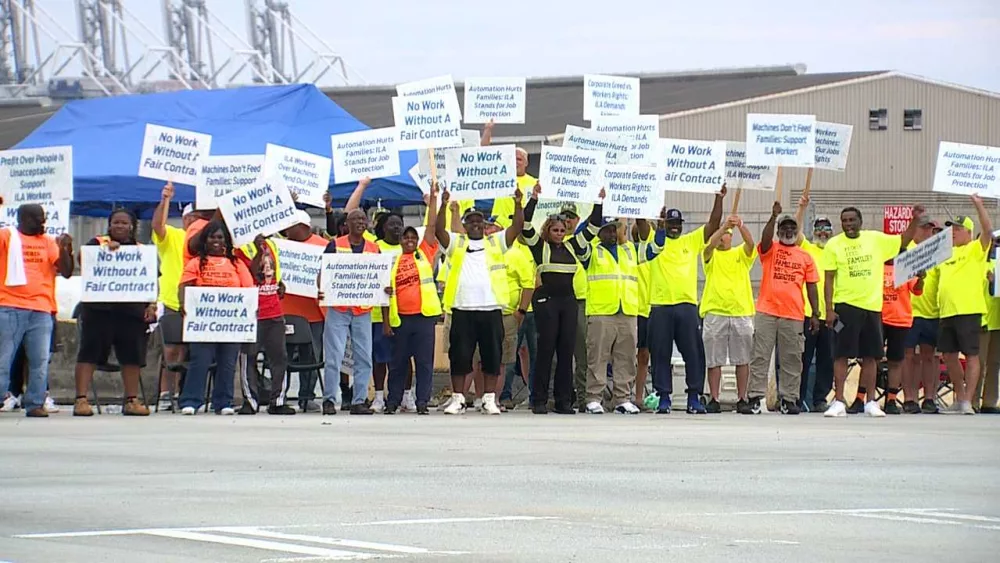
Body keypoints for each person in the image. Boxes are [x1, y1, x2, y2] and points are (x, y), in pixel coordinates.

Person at [822, 205, 921, 418]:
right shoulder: (833, 245)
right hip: (845, 307)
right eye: (844, 221)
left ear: (860, 221)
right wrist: (829, 309)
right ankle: (838, 401)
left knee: (871, 356)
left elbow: (902, 240)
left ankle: (870, 402)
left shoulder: (875, 239)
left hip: (872, 308)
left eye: (852, 220)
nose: (848, 224)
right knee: (841, 355)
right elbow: (828, 279)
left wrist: (915, 220)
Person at [434, 186, 524, 415]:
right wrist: (443, 205)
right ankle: (457, 399)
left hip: (491, 309)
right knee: (460, 357)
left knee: (492, 356)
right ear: (464, 225)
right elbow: (438, 231)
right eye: (471, 221)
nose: (476, 224)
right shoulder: (456, 243)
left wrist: (517, 203)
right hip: (462, 309)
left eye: (479, 221)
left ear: (484, 225)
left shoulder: (495, 242)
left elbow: (517, 227)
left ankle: (489, 399)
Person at [520, 185, 601, 414]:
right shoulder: (540, 247)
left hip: (568, 301)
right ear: (548, 229)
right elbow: (525, 223)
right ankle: (539, 400)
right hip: (547, 301)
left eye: (562, 230)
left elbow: (594, 226)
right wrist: (534, 198)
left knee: (566, 351)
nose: (558, 233)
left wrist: (599, 199)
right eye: (555, 230)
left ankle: (564, 400)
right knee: (546, 350)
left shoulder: (573, 245)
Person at [648, 187, 725, 414]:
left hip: (687, 306)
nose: (674, 227)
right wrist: (654, 217)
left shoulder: (690, 241)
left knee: (693, 353)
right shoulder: (656, 242)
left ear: (682, 225)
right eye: (670, 223)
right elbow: (642, 227)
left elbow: (713, 223)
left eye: (677, 223)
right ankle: (664, 398)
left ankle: (694, 397)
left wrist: (718, 198)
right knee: (660, 353)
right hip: (661, 305)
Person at [73, 208, 156, 417]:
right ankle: (81, 400)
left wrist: (151, 305)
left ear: (132, 226)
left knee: (132, 356)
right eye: (115, 222)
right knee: (89, 353)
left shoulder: (141, 249)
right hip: (98, 311)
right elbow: (83, 261)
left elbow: (152, 280)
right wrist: (104, 253)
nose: (119, 226)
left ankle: (131, 400)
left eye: (124, 223)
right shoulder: (97, 243)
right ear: (109, 225)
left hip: (131, 312)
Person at [575, 214, 661, 414]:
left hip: (628, 311)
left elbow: (654, 250)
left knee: (626, 357)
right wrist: (593, 216)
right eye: (607, 229)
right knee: (598, 356)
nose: (612, 233)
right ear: (599, 232)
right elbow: (577, 240)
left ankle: (622, 397)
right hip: (601, 311)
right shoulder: (592, 252)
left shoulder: (629, 250)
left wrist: (662, 229)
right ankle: (594, 398)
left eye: (615, 229)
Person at [0, 204, 74, 417]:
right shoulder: (7, 236)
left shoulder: (49, 242)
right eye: (36, 219)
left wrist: (65, 249)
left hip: (41, 309)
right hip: (9, 306)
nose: (42, 223)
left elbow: (67, 272)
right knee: (4, 359)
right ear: (22, 219)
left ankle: (35, 403)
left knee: (40, 360)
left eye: (43, 218)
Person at [745, 206, 820, 415]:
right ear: (778, 231)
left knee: (792, 358)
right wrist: (772, 216)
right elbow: (765, 238)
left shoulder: (805, 257)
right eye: (784, 228)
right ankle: (754, 398)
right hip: (766, 312)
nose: (788, 231)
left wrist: (816, 313)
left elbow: (812, 285)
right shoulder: (770, 249)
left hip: (794, 315)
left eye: (792, 227)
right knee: (760, 356)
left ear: (797, 232)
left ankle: (789, 399)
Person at [177, 220, 255, 415]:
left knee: (228, 363)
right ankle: (191, 401)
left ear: (227, 241)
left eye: (220, 237)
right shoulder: (195, 263)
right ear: (205, 240)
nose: (216, 241)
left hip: (231, 323)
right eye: (212, 237)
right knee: (200, 361)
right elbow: (184, 286)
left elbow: (248, 290)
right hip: (204, 323)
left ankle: (223, 402)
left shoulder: (236, 263)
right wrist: (184, 304)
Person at [320, 206, 386, 416]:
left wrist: (385, 289)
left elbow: (380, 277)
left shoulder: (374, 248)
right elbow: (323, 273)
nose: (360, 222)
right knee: (334, 356)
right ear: (346, 224)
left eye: (363, 219)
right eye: (355, 219)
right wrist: (321, 289)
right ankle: (329, 400)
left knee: (364, 356)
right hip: (339, 308)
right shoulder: (335, 245)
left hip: (362, 309)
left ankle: (358, 401)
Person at [383, 183, 441, 415]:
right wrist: (386, 322)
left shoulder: (425, 254)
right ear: (400, 241)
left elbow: (433, 226)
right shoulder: (392, 261)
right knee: (397, 365)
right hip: (401, 321)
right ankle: (393, 401)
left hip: (424, 318)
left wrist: (434, 200)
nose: (408, 240)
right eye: (405, 237)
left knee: (424, 364)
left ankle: (422, 402)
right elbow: (383, 295)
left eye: (412, 237)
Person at [937, 198, 992, 415]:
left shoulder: (975, 250)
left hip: (968, 310)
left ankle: (968, 400)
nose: (953, 232)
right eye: (951, 229)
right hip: (947, 312)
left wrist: (978, 204)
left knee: (971, 355)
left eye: (958, 229)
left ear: (969, 233)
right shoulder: (944, 253)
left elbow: (987, 230)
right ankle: (959, 397)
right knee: (949, 356)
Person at [700, 214, 756, 413]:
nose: (723, 238)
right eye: (721, 235)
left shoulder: (740, 254)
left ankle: (742, 398)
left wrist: (740, 224)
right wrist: (722, 227)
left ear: (732, 238)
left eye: (727, 235)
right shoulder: (710, 256)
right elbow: (708, 247)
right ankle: (714, 397)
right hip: (715, 312)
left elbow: (751, 244)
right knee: (714, 360)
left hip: (741, 312)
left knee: (742, 359)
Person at [151, 181, 197, 410]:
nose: (196, 222)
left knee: (189, 352)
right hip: (173, 302)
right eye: (193, 218)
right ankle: (166, 393)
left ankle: (181, 393)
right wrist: (165, 200)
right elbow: (158, 226)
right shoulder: (174, 236)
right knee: (172, 350)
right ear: (185, 219)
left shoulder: (208, 240)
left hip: (199, 304)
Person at [235, 234, 292, 415]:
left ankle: (277, 401)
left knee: (279, 358)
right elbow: (252, 273)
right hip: (253, 314)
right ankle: (250, 401)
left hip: (274, 312)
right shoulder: (241, 248)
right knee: (249, 357)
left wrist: (280, 285)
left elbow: (275, 274)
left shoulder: (273, 245)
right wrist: (258, 250)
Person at [279, 210, 328, 411]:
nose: (286, 230)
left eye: (290, 226)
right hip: (285, 312)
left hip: (314, 314)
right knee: (282, 357)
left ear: (303, 227)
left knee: (312, 357)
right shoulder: (281, 245)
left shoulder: (323, 247)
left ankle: (306, 397)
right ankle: (279, 395)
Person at [794, 196, 834, 412]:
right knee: (803, 358)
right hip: (807, 314)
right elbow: (795, 229)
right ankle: (798, 398)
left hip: (830, 315)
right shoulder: (806, 248)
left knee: (827, 359)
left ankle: (820, 398)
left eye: (826, 228)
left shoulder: (837, 250)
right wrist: (801, 208)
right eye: (818, 229)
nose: (822, 232)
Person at [902, 218, 943, 414]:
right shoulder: (905, 249)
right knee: (908, 356)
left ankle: (929, 398)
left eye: (931, 229)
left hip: (932, 311)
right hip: (908, 311)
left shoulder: (938, 252)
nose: (927, 232)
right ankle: (909, 398)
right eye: (924, 228)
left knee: (931, 357)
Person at [881, 258, 924, 415]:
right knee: (872, 359)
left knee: (896, 360)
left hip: (900, 320)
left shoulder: (905, 268)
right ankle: (865, 398)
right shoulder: (876, 265)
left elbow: (917, 290)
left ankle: (891, 399)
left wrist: (921, 279)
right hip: (878, 318)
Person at [975, 238, 1000, 413]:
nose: (993, 246)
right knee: (979, 362)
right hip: (982, 319)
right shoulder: (977, 262)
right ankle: (973, 400)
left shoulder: (997, 262)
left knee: (994, 363)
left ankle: (990, 401)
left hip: (997, 320)